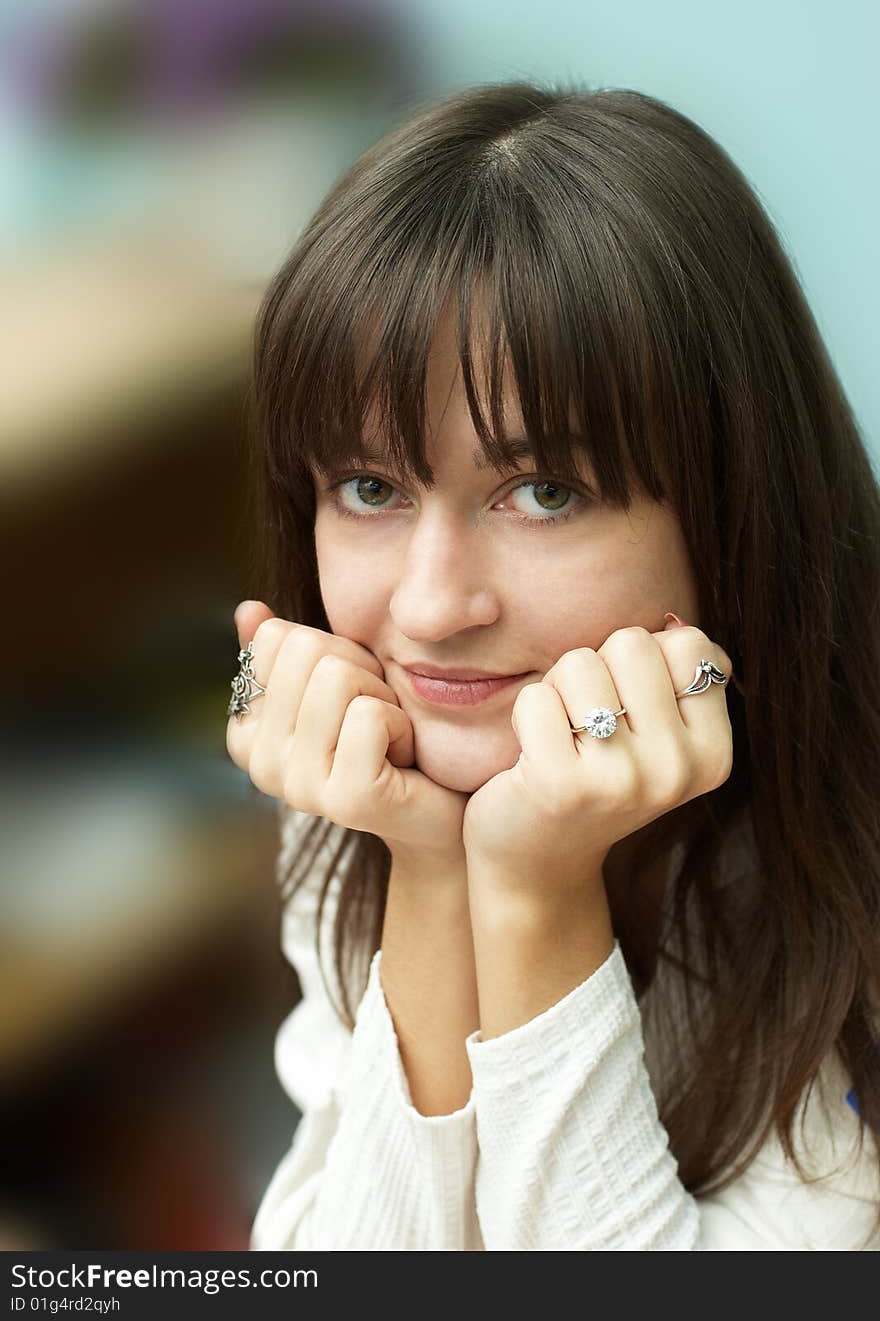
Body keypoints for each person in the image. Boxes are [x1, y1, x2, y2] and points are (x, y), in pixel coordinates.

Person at [226, 81, 880, 1250]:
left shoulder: (848, 871)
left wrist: (531, 893)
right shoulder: (370, 792)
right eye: (369, 487)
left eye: (543, 493)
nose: (429, 607)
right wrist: (428, 871)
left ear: (731, 509)